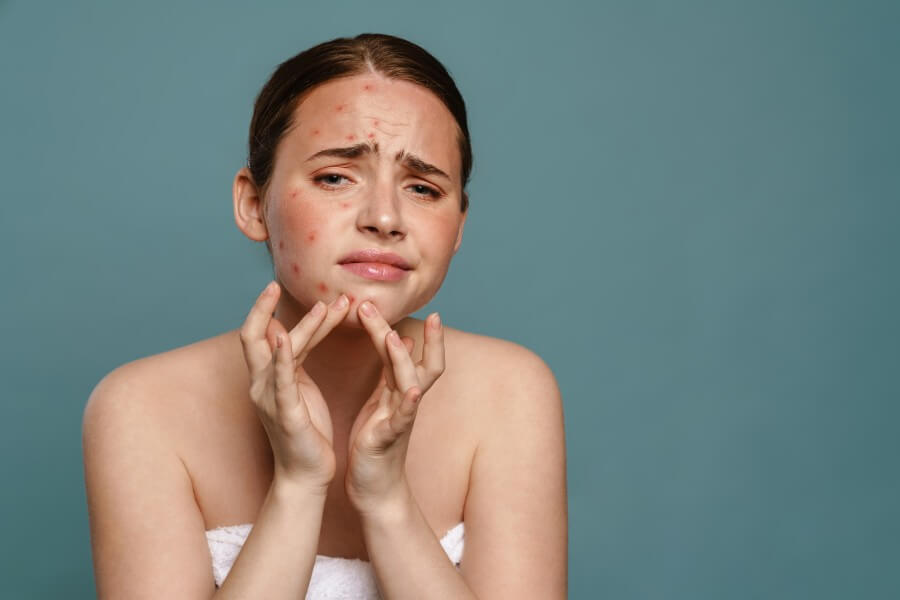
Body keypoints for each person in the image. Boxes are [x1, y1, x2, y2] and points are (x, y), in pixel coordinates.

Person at [82, 33, 568, 599]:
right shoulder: (140, 408)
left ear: (458, 225)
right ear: (252, 203)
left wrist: (387, 501)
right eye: (335, 177)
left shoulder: (512, 392)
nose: (385, 217)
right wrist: (297, 486)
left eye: (423, 187)